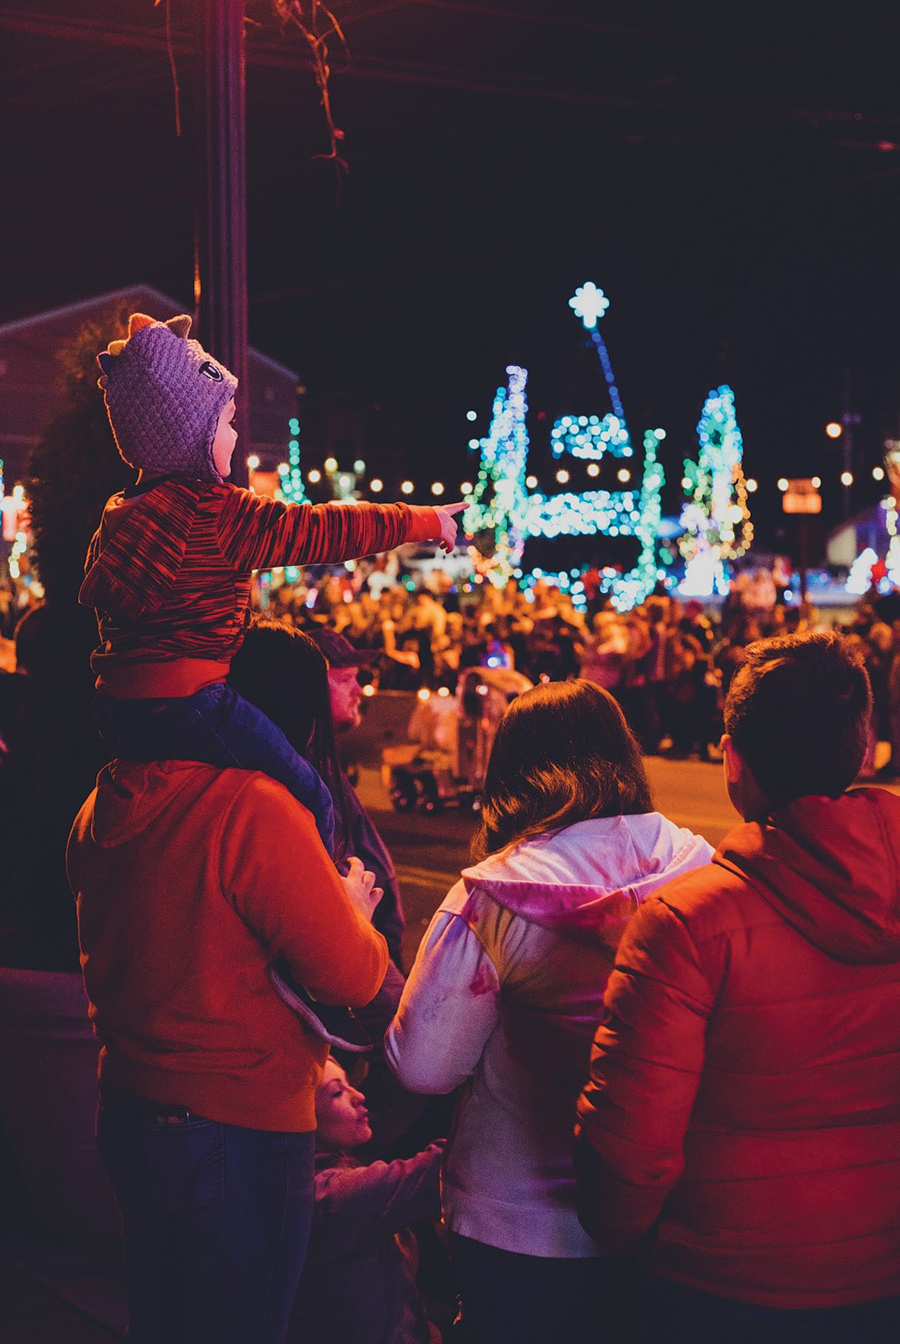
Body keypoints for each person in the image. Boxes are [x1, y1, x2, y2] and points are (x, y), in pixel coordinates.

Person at [575, 631, 900, 1344]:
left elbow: (628, 1156)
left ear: (731, 758)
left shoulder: (687, 926)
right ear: (865, 749)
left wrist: (623, 1239)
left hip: (721, 1283)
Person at [67, 652, 390, 1341]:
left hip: (129, 1106)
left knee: (164, 1318)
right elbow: (352, 976)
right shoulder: (254, 809)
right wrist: (353, 911)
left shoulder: (105, 799)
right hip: (239, 1122)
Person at [385, 679, 713, 1344]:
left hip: (517, 1219)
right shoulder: (698, 872)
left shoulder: (490, 899)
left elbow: (424, 1065)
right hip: (663, 1200)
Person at [80, 312, 463, 850]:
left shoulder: (120, 512)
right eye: (229, 421)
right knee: (312, 795)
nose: (236, 436)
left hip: (116, 708)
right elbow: (323, 529)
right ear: (188, 432)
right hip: (192, 705)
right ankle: (336, 888)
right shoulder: (214, 513)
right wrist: (421, 520)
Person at [288, 1057, 443, 1344]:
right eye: (337, 1092)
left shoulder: (334, 1165)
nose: (359, 1095)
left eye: (350, 1085)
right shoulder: (329, 1195)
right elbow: (436, 1171)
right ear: (300, 1116)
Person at [306, 625, 408, 968]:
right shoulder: (305, 769)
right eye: (345, 678)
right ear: (313, 686)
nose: (358, 690)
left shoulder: (323, 759)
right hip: (358, 949)